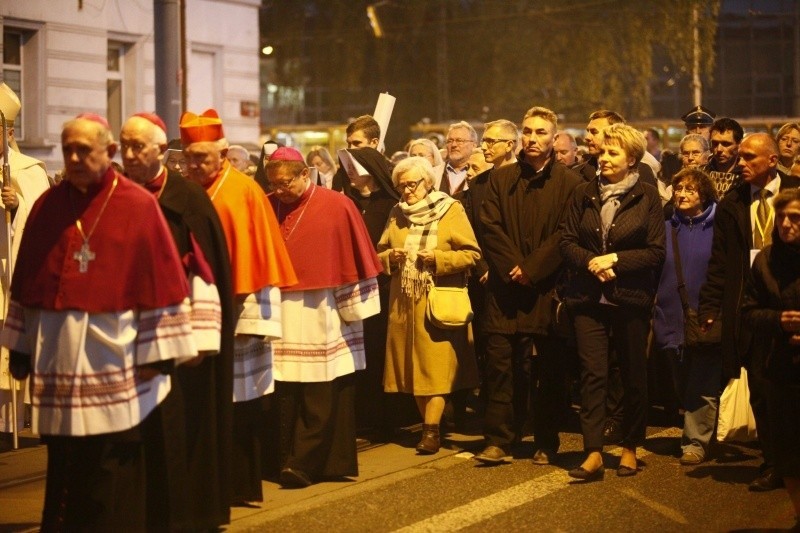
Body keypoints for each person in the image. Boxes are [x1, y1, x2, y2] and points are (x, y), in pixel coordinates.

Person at [1, 114, 197, 529]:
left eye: (83, 150)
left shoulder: (139, 206)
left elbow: (162, 285)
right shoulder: (48, 206)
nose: (73, 157)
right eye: (67, 148)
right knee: (62, 465)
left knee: (113, 465)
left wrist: (159, 358)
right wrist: (19, 348)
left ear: (108, 153)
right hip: (57, 359)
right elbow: (27, 279)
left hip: (116, 359)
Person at [120, 112, 235, 529]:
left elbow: (207, 271)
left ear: (160, 150)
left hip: (181, 337)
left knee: (181, 423)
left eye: (138, 146)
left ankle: (188, 513)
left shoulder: (187, 199)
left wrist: (199, 340)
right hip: (125, 335)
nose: (129, 155)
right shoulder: (113, 194)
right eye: (124, 145)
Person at [180, 109, 298, 503]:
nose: (194, 165)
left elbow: (259, 254)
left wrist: (249, 311)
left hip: (239, 310)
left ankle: (237, 485)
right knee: (197, 402)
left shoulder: (244, 190)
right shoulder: (183, 189)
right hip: (191, 313)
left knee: (238, 402)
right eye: (189, 157)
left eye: (202, 157)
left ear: (224, 152)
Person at [265, 146, 382, 488]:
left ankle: (307, 462)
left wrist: (352, 309)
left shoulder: (337, 205)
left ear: (305, 174)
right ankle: (281, 458)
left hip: (321, 309)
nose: (280, 190)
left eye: (286, 182)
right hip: (277, 311)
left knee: (320, 390)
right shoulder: (267, 204)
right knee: (282, 391)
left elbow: (353, 258)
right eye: (274, 183)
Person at [474, 106, 582, 465]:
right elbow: (489, 225)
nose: (533, 138)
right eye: (528, 131)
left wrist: (533, 268)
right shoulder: (501, 179)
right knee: (500, 366)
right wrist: (511, 267)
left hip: (545, 287)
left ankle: (546, 440)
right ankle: (499, 439)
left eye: (541, 133)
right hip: (505, 289)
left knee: (549, 369)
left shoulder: (570, 183)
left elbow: (567, 231)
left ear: (554, 139)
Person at [560, 123, 665, 480]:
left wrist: (615, 261)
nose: (602, 158)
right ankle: (592, 452)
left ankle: (630, 447)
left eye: (612, 153)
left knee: (633, 375)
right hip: (588, 297)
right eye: (601, 152)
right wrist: (591, 262)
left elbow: (654, 252)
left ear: (631, 158)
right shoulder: (583, 192)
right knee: (593, 374)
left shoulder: (648, 196)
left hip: (630, 299)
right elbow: (567, 241)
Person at [699, 132, 800, 492]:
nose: (740, 163)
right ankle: (774, 463)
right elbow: (721, 261)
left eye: (749, 157)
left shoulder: (795, 191)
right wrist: (710, 304)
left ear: (772, 160)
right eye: (739, 157)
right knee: (762, 389)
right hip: (754, 305)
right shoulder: (733, 203)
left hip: (794, 299)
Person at [377, 157, 481, 454]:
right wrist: (389, 259)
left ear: (428, 183)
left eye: (412, 184)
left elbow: (471, 254)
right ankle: (430, 425)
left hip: (436, 301)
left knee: (434, 369)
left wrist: (438, 259)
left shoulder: (451, 209)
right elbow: (380, 251)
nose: (407, 191)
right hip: (404, 304)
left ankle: (431, 430)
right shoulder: (397, 212)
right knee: (413, 370)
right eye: (401, 185)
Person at [652, 168, 719, 465]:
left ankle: (695, 441)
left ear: (703, 194)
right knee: (680, 380)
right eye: (678, 188)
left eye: (690, 190)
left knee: (702, 381)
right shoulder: (666, 227)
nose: (681, 194)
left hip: (705, 315)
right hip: (669, 316)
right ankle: (697, 428)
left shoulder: (719, 227)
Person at [743, 187, 800, 531]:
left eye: (796, 217)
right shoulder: (765, 259)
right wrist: (778, 321)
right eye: (782, 217)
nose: (786, 224)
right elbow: (748, 312)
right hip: (779, 370)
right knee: (789, 454)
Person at [337, 147, 401, 437]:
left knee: (378, 352)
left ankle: (384, 417)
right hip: (350, 287)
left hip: (383, 287)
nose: (349, 173)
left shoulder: (390, 204)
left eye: (354, 167)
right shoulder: (345, 201)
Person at [0, 82, 50, 437]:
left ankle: (9, 425)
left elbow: (45, 223)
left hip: (9, 276)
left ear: (9, 131)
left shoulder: (27, 169)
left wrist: (17, 206)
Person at [702, 117, 744, 198]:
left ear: (739, 145)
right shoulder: (700, 174)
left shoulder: (746, 176)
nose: (719, 149)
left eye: (726, 144)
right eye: (715, 143)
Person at [441, 121, 478, 195]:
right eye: (450, 141)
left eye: (459, 141)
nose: (453, 145)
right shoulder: (435, 172)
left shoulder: (481, 173)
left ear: (474, 145)